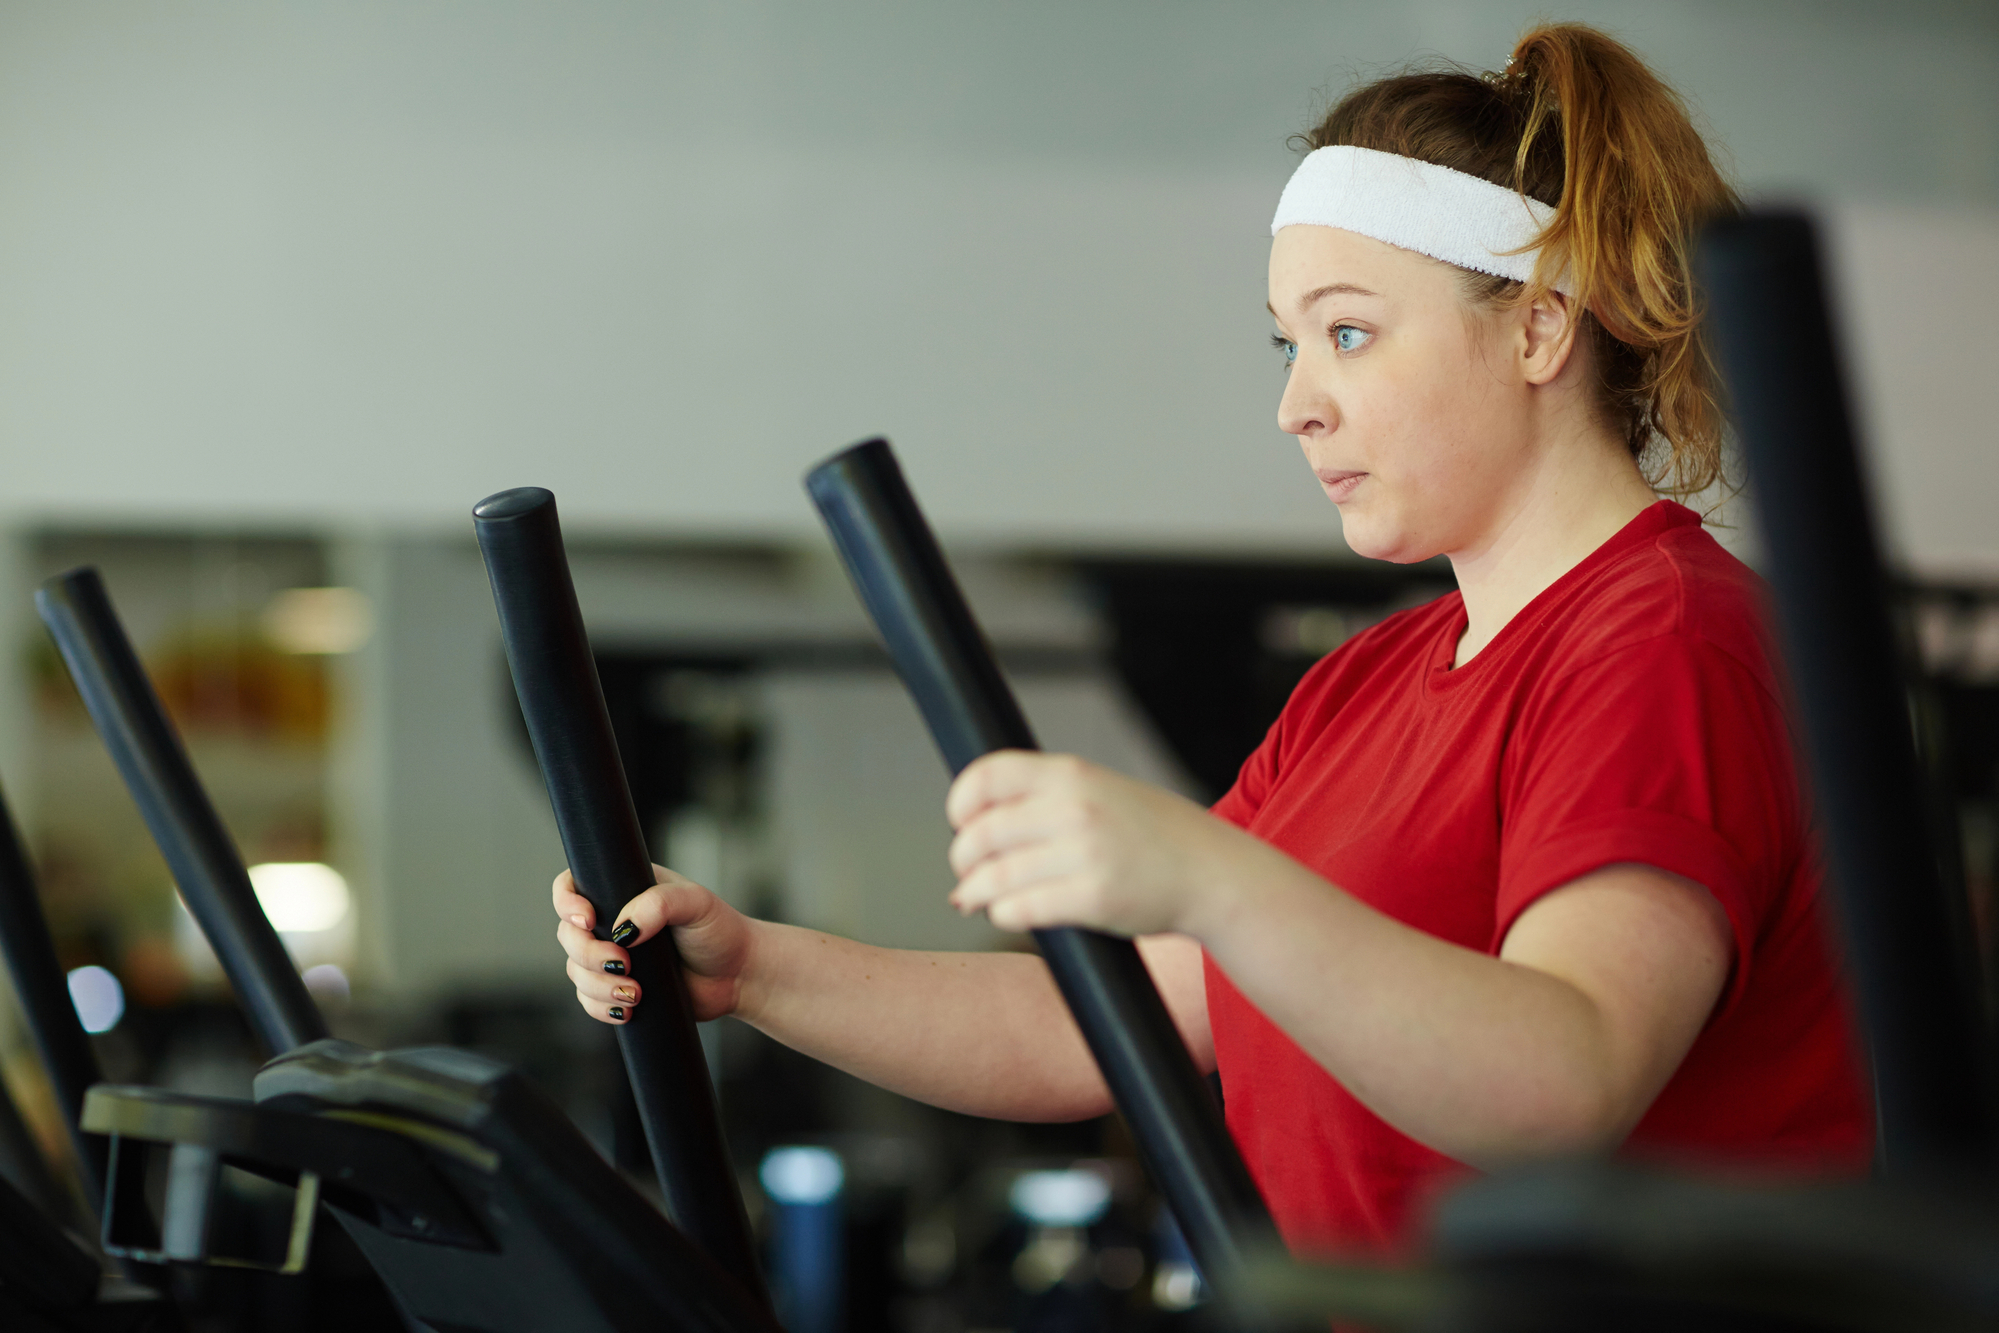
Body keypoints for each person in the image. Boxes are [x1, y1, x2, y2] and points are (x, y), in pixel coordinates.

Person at [554, 22, 1870, 1257]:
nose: (1298, 405)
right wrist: (763, 967)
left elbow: (1563, 1077)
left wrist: (1211, 878)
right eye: (1289, 345)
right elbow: (1103, 1027)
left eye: (1349, 332)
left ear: (1537, 328)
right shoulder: (1372, 682)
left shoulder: (1668, 643)